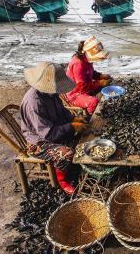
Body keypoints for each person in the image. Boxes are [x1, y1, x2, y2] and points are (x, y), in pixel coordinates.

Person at [20, 62, 90, 194]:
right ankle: (61, 180)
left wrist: (73, 119)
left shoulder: (50, 93)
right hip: (39, 142)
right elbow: (49, 135)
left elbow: (62, 111)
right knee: (67, 153)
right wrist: (71, 126)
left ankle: (73, 167)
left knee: (85, 137)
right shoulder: (34, 103)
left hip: (53, 130)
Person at [65, 35, 112, 115]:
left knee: (108, 86)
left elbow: (90, 72)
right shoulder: (78, 64)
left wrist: (100, 76)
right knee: (94, 102)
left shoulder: (86, 59)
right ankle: (90, 116)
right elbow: (82, 86)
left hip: (86, 87)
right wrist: (100, 83)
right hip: (75, 94)